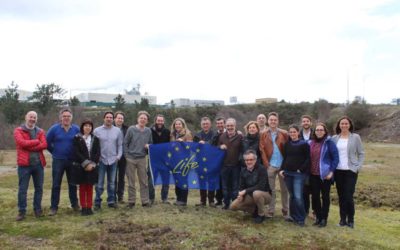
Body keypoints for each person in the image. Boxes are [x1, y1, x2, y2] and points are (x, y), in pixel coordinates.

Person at [14, 111, 47, 221]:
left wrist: (31, 145)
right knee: (23, 189)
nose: (32, 119)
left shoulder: (40, 131)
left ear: (36, 119)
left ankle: (37, 210)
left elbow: (44, 144)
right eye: (30, 117)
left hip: (38, 164)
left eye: (34, 117)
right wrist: (36, 141)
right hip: (24, 165)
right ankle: (22, 211)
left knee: (39, 188)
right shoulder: (18, 130)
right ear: (26, 117)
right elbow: (21, 143)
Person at [332, 116, 365, 229]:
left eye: (346, 124)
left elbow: (361, 153)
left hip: (351, 171)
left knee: (348, 196)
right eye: (342, 124)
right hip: (338, 171)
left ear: (349, 125)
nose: (344, 125)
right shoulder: (334, 138)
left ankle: (351, 220)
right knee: (341, 196)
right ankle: (342, 220)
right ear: (339, 125)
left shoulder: (355, 137)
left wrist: (358, 167)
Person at [47, 108, 80, 216]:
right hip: (58, 161)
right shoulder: (54, 129)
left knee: (73, 184)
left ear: (71, 118)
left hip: (72, 161)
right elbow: (47, 143)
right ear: (60, 117)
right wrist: (54, 152)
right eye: (64, 116)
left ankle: (75, 204)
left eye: (68, 116)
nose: (66, 118)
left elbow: (80, 143)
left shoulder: (76, 129)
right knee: (56, 184)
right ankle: (53, 207)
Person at [259, 112, 289, 218]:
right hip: (270, 165)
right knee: (271, 189)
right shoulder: (263, 134)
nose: (273, 121)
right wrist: (266, 164)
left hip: (282, 166)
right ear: (268, 121)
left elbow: (288, 149)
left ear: (278, 121)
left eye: (275, 120)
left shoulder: (284, 133)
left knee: (284, 189)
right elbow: (262, 150)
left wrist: (286, 165)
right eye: (271, 120)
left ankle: (285, 210)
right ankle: (271, 210)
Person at [279, 124, 310, 226]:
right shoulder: (287, 144)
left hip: (298, 174)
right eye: (290, 132)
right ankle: (293, 216)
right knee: (292, 196)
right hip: (287, 173)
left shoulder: (304, 144)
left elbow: (308, 159)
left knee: (298, 197)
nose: (292, 133)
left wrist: (300, 170)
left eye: (294, 132)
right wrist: (282, 169)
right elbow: (285, 157)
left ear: (298, 132)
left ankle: (301, 218)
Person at [309, 122, 339, 227]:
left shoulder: (329, 143)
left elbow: (335, 158)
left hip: (325, 175)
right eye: (317, 130)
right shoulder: (311, 143)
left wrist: (331, 172)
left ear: (325, 131)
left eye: (321, 130)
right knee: (315, 197)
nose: (319, 131)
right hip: (313, 174)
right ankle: (318, 217)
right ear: (314, 131)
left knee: (325, 197)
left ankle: (324, 219)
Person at [230, 150, 272, 224]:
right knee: (233, 206)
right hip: (250, 195)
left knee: (256, 193)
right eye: (246, 160)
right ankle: (255, 210)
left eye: (251, 160)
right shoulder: (243, 171)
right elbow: (241, 186)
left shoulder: (261, 169)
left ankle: (261, 215)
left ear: (255, 160)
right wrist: (241, 195)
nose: (249, 162)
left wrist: (245, 191)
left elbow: (261, 186)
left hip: (265, 195)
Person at [93, 111, 123, 209]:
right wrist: (96, 158)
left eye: (111, 117)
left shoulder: (117, 131)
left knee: (111, 183)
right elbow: (94, 146)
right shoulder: (97, 131)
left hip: (113, 160)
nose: (109, 119)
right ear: (104, 118)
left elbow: (120, 145)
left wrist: (118, 156)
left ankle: (111, 201)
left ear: (113, 119)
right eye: (107, 117)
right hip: (101, 160)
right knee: (100, 183)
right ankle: (97, 202)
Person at [124, 111, 153, 208]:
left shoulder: (148, 131)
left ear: (147, 121)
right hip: (130, 159)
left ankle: (145, 201)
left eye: (145, 119)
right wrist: (126, 155)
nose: (143, 120)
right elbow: (125, 143)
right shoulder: (131, 129)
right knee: (131, 181)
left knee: (143, 181)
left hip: (141, 158)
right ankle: (131, 201)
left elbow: (151, 143)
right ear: (138, 119)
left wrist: (149, 146)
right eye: (141, 118)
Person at [72, 119, 100, 216]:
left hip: (92, 167)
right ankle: (83, 207)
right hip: (81, 167)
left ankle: (89, 207)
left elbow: (97, 153)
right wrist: (86, 163)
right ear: (82, 127)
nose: (87, 127)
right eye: (86, 126)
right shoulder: (77, 138)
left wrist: (92, 164)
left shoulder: (95, 138)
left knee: (90, 187)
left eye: (89, 126)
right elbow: (76, 152)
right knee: (83, 187)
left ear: (92, 128)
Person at [218, 118, 243, 209]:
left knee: (235, 186)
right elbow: (217, 147)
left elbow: (243, 150)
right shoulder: (222, 136)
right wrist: (220, 146)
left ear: (235, 126)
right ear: (225, 126)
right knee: (225, 186)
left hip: (236, 166)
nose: (230, 127)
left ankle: (234, 205)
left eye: (231, 125)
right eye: (228, 126)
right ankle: (226, 204)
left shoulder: (240, 136)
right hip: (224, 166)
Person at [193, 117, 216, 207]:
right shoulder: (197, 135)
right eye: (204, 124)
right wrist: (198, 145)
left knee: (211, 181)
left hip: (211, 161)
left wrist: (205, 143)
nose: (205, 125)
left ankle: (211, 201)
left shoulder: (214, 134)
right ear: (201, 125)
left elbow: (215, 145)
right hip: (200, 161)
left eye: (207, 124)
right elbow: (194, 148)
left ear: (210, 125)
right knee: (202, 181)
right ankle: (202, 201)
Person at [170, 117, 193, 206]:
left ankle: (183, 200)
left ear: (183, 125)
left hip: (184, 161)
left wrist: (183, 142)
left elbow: (190, 147)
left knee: (183, 180)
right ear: (174, 125)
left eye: (179, 124)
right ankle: (178, 199)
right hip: (175, 160)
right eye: (176, 124)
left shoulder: (187, 134)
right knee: (177, 180)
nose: (178, 125)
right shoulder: (172, 134)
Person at [150, 114, 171, 203]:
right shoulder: (149, 131)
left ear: (164, 122)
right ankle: (151, 198)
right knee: (151, 179)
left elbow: (171, 144)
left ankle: (164, 198)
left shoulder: (167, 132)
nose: (160, 122)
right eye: (158, 120)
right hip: (153, 159)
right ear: (155, 121)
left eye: (161, 121)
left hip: (165, 160)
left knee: (166, 179)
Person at [299, 114, 314, 218]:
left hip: (315, 166)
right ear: (301, 123)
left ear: (310, 123)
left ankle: (315, 211)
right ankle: (305, 211)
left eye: (307, 121)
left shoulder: (316, 133)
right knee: (305, 190)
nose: (305, 123)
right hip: (303, 167)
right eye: (304, 121)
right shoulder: (298, 134)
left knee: (315, 190)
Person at [114, 111, 128, 203]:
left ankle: (120, 196)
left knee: (121, 177)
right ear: (115, 119)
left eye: (122, 118)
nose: (120, 120)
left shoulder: (127, 129)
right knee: (112, 177)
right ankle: (113, 196)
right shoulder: (110, 128)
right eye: (118, 118)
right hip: (112, 156)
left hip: (123, 156)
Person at [211, 117, 226, 206]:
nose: (220, 125)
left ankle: (227, 199)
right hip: (217, 161)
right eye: (218, 123)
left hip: (227, 160)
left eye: (221, 123)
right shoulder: (215, 135)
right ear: (216, 125)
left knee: (226, 181)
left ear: (224, 124)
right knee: (218, 181)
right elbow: (211, 146)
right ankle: (219, 199)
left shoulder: (229, 133)